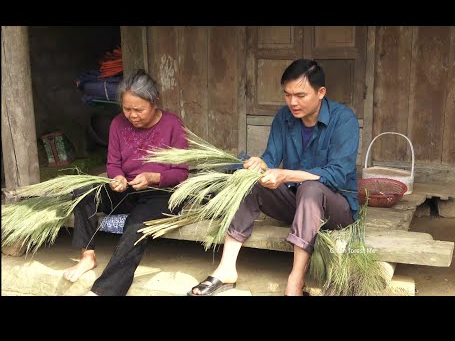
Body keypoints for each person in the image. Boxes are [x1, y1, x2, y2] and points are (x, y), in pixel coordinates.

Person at [189, 59, 359, 296]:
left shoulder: (344, 120)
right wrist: (261, 164)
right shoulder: (284, 117)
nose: (292, 102)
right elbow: (271, 157)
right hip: (297, 205)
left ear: (321, 93)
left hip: (336, 210)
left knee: (311, 188)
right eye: (287, 95)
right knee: (252, 181)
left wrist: (287, 174)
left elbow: (338, 175)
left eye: (300, 95)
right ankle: (227, 268)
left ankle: (295, 281)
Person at [63, 69, 189, 296]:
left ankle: (103, 291)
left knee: (136, 225)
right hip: (128, 190)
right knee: (83, 191)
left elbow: (181, 173)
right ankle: (87, 256)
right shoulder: (117, 124)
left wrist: (153, 177)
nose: (132, 115)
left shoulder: (173, 125)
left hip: (162, 194)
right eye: (126, 108)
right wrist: (117, 178)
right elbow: (113, 164)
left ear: (154, 102)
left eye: (138, 109)